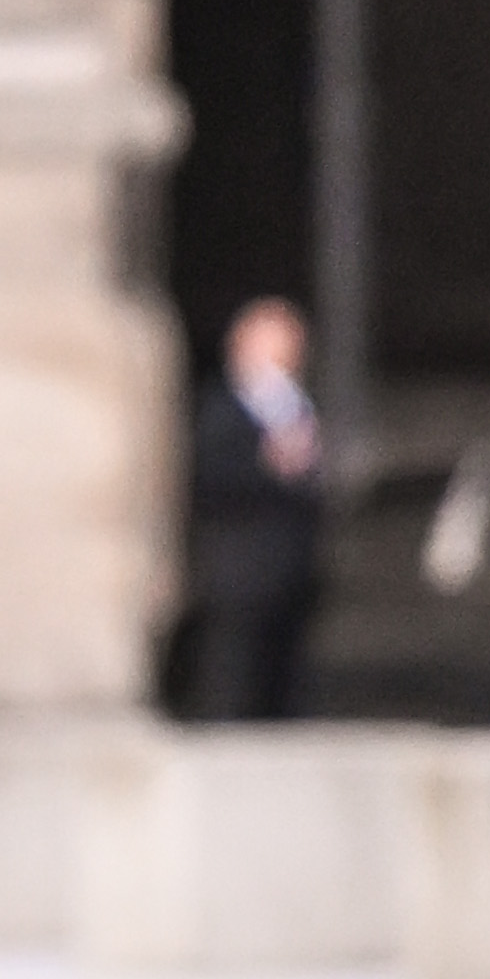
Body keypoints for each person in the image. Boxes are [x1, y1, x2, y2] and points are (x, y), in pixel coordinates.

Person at [175, 296, 325, 721]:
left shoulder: (298, 406)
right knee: (230, 677)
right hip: (237, 569)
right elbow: (209, 475)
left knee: (282, 680)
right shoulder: (221, 408)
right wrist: (270, 464)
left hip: (289, 565)